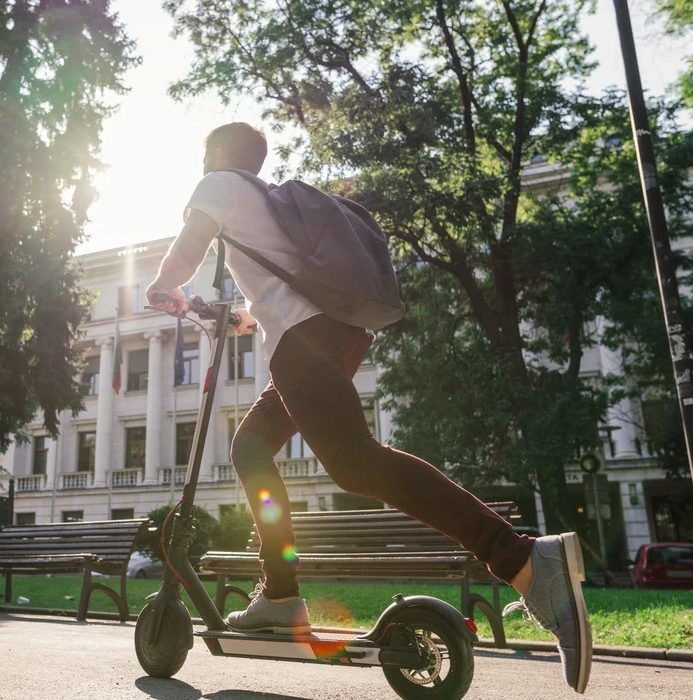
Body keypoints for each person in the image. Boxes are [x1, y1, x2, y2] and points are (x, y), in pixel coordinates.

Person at [145, 122, 592, 694]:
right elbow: (281, 291)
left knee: (353, 463)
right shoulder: (263, 204)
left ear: (214, 156)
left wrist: (163, 284)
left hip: (306, 344)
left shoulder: (218, 186)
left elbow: (187, 248)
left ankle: (522, 558)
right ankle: (281, 596)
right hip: (331, 336)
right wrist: (240, 318)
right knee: (251, 447)